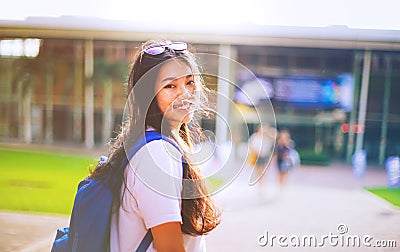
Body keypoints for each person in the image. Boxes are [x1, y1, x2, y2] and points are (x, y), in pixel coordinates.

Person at [90, 40, 221, 251]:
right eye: (170, 86)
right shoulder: (157, 154)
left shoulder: (152, 142)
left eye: (189, 82)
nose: (186, 94)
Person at [248, 124, 276, 194]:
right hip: (257, 156)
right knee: (259, 172)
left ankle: (261, 186)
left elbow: (275, 138)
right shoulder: (254, 137)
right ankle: (260, 187)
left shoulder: (267, 138)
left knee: (262, 173)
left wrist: (269, 133)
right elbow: (251, 146)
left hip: (264, 157)